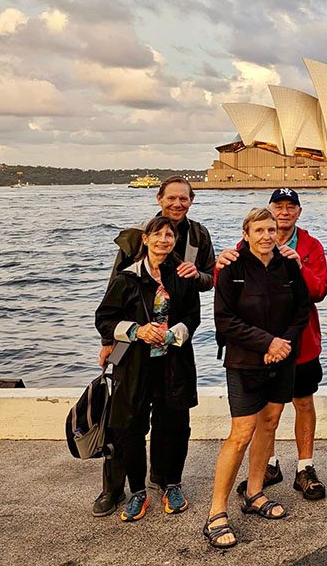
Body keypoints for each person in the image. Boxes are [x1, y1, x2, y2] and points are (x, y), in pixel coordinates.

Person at [94, 175, 215, 518]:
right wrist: (112, 340)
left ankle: (166, 482)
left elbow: (208, 282)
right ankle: (117, 489)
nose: (178, 204)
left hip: (173, 355)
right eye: (171, 198)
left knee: (173, 420)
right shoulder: (135, 240)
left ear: (191, 202)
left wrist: (195, 276)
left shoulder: (198, 236)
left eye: (184, 199)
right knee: (126, 422)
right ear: (159, 199)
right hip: (134, 354)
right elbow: (112, 298)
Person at [203, 207, 311, 549]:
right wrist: (267, 343)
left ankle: (254, 493)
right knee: (242, 432)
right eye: (259, 230)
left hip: (282, 358)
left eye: (271, 229)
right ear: (246, 234)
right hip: (245, 361)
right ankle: (216, 512)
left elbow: (301, 309)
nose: (266, 236)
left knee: (270, 422)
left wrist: (283, 344)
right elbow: (225, 321)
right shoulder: (231, 269)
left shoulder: (288, 265)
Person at [214, 188, 327, 501]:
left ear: (298, 212)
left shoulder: (310, 247)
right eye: (278, 206)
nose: (284, 212)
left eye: (291, 207)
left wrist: (299, 267)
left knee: (302, 402)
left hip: (300, 344)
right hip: (256, 350)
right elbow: (227, 295)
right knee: (267, 413)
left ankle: (305, 466)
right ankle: (270, 463)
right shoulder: (242, 249)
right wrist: (218, 263)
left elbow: (318, 292)